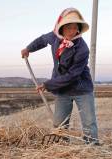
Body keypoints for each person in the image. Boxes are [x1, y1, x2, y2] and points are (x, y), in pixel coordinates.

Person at [21, 8, 99, 145]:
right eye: (68, 27)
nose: (71, 31)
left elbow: (72, 75)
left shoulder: (82, 49)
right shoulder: (55, 37)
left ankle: (92, 149)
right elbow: (42, 40)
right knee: (59, 123)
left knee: (89, 122)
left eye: (75, 28)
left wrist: (48, 84)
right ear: (62, 28)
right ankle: (61, 148)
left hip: (81, 88)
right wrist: (28, 49)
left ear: (78, 29)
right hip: (63, 90)